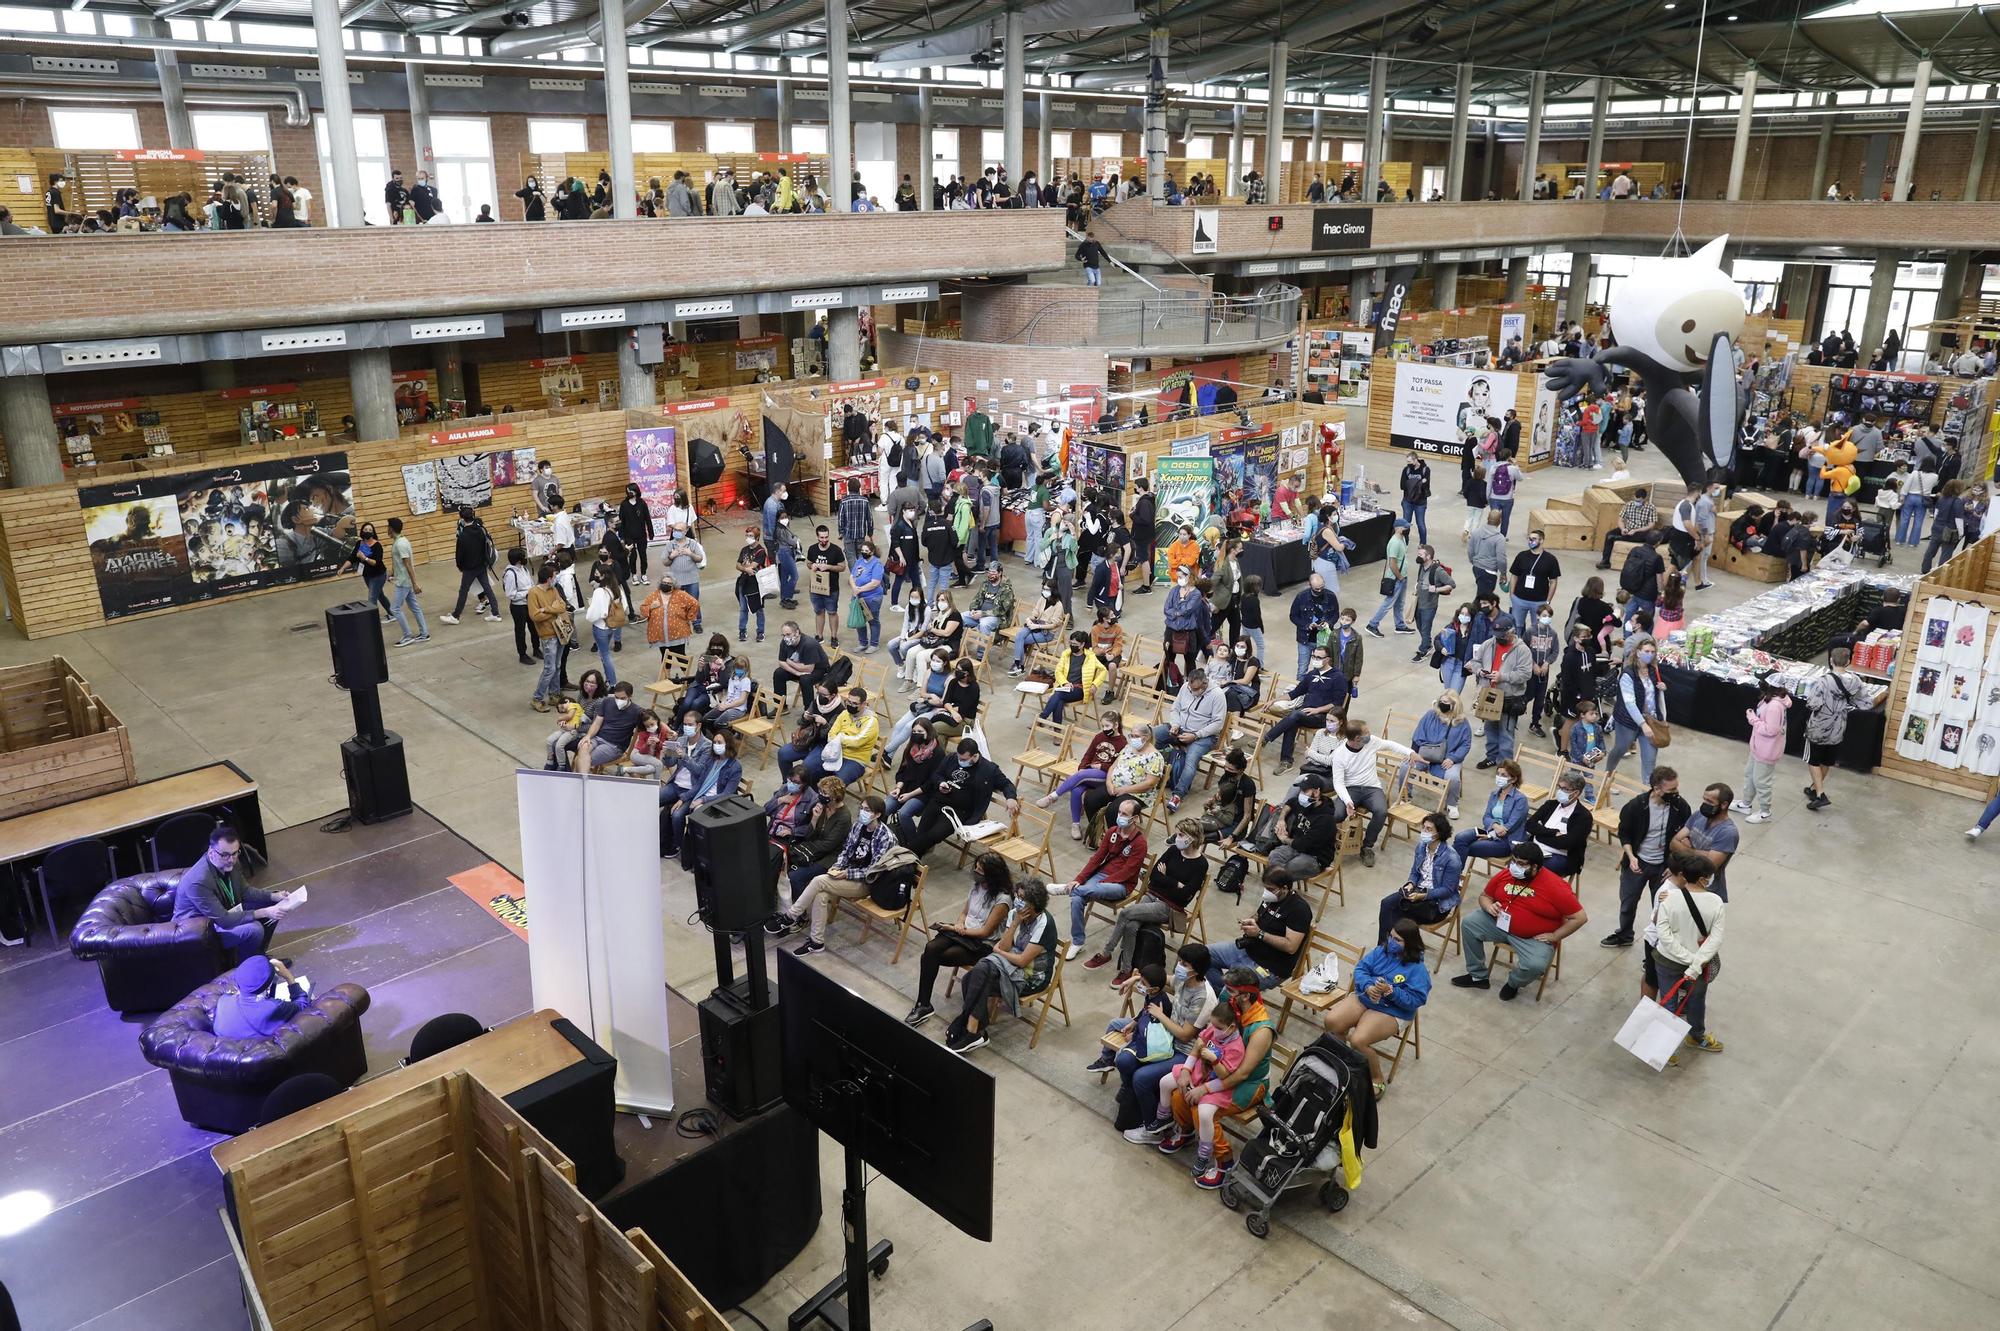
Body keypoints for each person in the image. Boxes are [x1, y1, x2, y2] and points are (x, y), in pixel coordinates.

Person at [1450, 842, 1588, 1000]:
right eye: (1514, 861)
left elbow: (1580, 917)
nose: (1515, 866)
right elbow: (1485, 896)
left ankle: (1513, 983)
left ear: (1535, 867)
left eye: (1521, 864)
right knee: (1469, 924)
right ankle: (1477, 976)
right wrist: (1489, 907)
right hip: (1500, 923)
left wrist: (1555, 936)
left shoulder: (1556, 886)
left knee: (1535, 965)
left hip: (1533, 937)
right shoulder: (1507, 874)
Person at [768, 795, 902, 955]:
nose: (862, 813)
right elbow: (846, 851)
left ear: (878, 814)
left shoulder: (885, 837)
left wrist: (847, 873)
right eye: (861, 808)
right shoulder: (858, 826)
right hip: (847, 873)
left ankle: (790, 915)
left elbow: (874, 871)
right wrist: (838, 867)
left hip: (866, 882)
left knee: (819, 881)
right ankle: (817, 942)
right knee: (821, 896)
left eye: (867, 810)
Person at [944, 878, 1058, 1053]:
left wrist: (999, 952)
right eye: (1017, 896)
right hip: (1009, 965)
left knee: (978, 975)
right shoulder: (1014, 914)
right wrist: (1015, 924)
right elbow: (1005, 946)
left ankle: (970, 1027)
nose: (1017, 900)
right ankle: (974, 1031)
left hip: (1030, 977)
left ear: (1034, 904)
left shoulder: (1045, 924)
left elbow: (1021, 961)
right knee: (972, 978)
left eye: (1022, 898)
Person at [1321, 920, 1431, 1095]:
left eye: (1398, 940)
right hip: (1367, 997)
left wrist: (1391, 992)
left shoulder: (1418, 970)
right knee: (1332, 1022)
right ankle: (1342, 1062)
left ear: (1409, 943)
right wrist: (1368, 986)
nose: (1392, 942)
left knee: (1358, 1040)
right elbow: (1361, 969)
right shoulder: (1382, 950)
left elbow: (1416, 1000)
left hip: (1392, 1010)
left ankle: (1376, 1078)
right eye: (1391, 936)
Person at [905, 853, 1014, 1027]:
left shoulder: (1003, 899)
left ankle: (923, 1006)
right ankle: (923, 1004)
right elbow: (965, 912)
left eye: (980, 870)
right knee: (931, 948)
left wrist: (954, 929)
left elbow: (985, 932)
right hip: (962, 932)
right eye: (976, 868)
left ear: (992, 875)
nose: (976, 872)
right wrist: (959, 923)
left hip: (981, 944)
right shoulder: (977, 886)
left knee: (933, 957)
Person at [171, 825, 295, 962]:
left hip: (222, 912)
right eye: (224, 855)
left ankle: (259, 957)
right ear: (211, 852)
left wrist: (273, 896)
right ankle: (247, 968)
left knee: (275, 903)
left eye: (235, 853)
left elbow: (245, 891)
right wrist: (265, 912)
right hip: (200, 931)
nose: (231, 859)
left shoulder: (232, 862)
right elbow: (224, 920)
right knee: (254, 929)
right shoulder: (198, 881)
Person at [1646, 850, 1726, 1056]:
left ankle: (1665, 1049)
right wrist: (1695, 963)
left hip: (1667, 961)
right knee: (1697, 1001)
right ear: (1701, 880)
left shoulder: (1669, 899)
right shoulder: (1716, 902)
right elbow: (1715, 939)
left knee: (1668, 1002)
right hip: (1699, 965)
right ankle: (1696, 1036)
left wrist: (1687, 959)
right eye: (1709, 877)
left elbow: (1663, 935)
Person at [1051, 796, 1148, 960]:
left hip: (1121, 885)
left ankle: (1067, 889)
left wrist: (1101, 884)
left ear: (1135, 818)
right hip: (1100, 878)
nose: (1120, 816)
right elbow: (1096, 858)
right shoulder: (1112, 832)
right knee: (1076, 899)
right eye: (1119, 812)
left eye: (1125, 814)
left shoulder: (1140, 843)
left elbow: (1128, 872)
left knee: (1079, 892)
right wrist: (1079, 879)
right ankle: (1078, 942)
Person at [1603, 765, 1687, 948]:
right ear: (1657, 789)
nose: (1676, 793)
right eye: (1671, 790)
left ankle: (1654, 948)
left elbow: (1685, 839)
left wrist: (1673, 866)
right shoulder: (1635, 806)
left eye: (1676, 788)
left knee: (1662, 910)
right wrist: (1631, 857)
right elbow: (1624, 833)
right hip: (1638, 863)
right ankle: (1624, 935)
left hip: (1664, 868)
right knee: (1628, 903)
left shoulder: (1680, 807)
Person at [901, 737, 1021, 858]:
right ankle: (910, 860)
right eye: (959, 757)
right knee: (922, 832)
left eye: (964, 759)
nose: (960, 760)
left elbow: (1006, 784)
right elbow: (937, 774)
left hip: (960, 810)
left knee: (936, 834)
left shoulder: (989, 769)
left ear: (974, 756)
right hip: (939, 800)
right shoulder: (952, 758)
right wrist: (941, 783)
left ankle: (903, 854)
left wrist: (1011, 797)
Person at [1036, 714, 1129, 838]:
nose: (1105, 729)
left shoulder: (1123, 743)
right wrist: (1082, 768)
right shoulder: (1099, 737)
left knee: (1080, 776)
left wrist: (1102, 767)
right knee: (1075, 790)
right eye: (1103, 726)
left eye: (1107, 725)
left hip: (1106, 775)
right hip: (1089, 773)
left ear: (1116, 725)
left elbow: (1119, 767)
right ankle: (1075, 824)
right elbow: (1088, 755)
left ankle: (1053, 796)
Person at [1379, 812, 1461, 945]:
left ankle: (1392, 949)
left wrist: (1422, 896)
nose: (1424, 832)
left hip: (1435, 904)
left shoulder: (1452, 859)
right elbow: (1415, 872)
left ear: (1438, 833)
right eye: (1424, 828)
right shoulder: (1422, 847)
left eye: (1429, 829)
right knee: (1387, 903)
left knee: (1399, 912)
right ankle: (1384, 949)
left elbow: (1447, 890)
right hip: (1417, 892)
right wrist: (1410, 884)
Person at [1269, 643, 1351, 771]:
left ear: (1328, 659)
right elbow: (1295, 693)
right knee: (1293, 719)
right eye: (1314, 656)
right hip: (1305, 714)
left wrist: (1317, 710)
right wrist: (1274, 700)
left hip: (1323, 717)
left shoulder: (1338, 677)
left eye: (1319, 657)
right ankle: (1286, 761)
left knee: (1295, 715)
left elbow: (1337, 703)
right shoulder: (1311, 674)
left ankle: (1266, 738)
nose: (1315, 659)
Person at [661, 729, 743, 854]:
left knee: (690, 813)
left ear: (728, 744)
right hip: (700, 795)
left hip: (717, 801)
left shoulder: (735, 766)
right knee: (676, 813)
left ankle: (700, 850)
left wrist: (703, 800)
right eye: (714, 742)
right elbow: (700, 784)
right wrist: (683, 798)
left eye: (719, 742)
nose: (716, 745)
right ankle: (679, 845)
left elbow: (727, 794)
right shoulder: (712, 760)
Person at [1153, 671, 1227, 810]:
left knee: (1191, 761)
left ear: (1205, 684)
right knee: (1152, 735)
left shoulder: (1217, 695)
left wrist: (1196, 735)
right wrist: (1175, 724)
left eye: (1195, 690)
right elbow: (1175, 708)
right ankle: (1155, 774)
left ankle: (1177, 795)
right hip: (1180, 728)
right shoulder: (1185, 687)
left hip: (1202, 736)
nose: (1192, 692)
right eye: (1190, 689)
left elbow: (1218, 724)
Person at [1321, 718, 1389, 866]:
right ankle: (1329, 843)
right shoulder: (1339, 754)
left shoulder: (1371, 742)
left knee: (1381, 811)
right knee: (1337, 814)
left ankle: (1367, 846)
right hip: (1350, 789)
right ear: (1357, 738)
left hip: (1372, 788)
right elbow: (1338, 783)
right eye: (1366, 732)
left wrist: (1410, 753)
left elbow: (1391, 745)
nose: (1370, 734)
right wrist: (1348, 801)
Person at [1603, 632, 1667, 782]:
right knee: (1619, 750)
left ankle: (1647, 793)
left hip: (1651, 722)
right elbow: (1629, 702)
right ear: (1638, 652)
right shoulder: (1628, 674)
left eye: (1652, 652)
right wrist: (1642, 724)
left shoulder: (1653, 671)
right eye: (1646, 651)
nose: (1649, 655)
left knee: (1650, 761)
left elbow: (1653, 696)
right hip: (1628, 722)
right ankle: (1607, 776)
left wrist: (1661, 689)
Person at [1469, 613, 1532, 766]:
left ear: (1511, 632)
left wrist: (1503, 677)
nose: (1498, 638)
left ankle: (1504, 764)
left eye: (1502, 635)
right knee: (1490, 729)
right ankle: (1492, 757)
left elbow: (1525, 674)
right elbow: (1475, 661)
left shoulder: (1522, 650)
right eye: (1496, 635)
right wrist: (1479, 671)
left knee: (1506, 733)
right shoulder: (1489, 644)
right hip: (1489, 695)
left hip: (1509, 698)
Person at [1804, 646, 1861, 810]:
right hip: (1839, 727)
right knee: (1827, 760)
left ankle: (1820, 793)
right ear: (1848, 661)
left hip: (1820, 727)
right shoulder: (1855, 681)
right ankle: (1814, 788)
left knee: (1813, 760)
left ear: (1830, 660)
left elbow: (1812, 703)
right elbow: (1864, 702)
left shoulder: (1823, 681)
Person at [1450, 760, 1528, 880]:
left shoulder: (1520, 799)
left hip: (1505, 841)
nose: (1499, 777)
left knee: (1464, 847)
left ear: (1513, 779)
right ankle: (1454, 878)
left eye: (1504, 775)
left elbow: (1510, 826)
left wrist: (1492, 835)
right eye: (1498, 774)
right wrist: (1495, 827)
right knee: (1460, 838)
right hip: (1490, 831)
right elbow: (1486, 817)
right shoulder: (1494, 794)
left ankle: (1453, 879)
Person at [1406, 691, 1473, 817]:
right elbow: (1418, 735)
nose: (1442, 704)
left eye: (1446, 702)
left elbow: (1465, 744)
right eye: (1441, 701)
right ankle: (1405, 796)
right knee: (1405, 766)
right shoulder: (1430, 715)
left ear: (1454, 705)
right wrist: (1414, 754)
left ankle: (1452, 804)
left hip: (1448, 758)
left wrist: (1453, 759)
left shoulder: (1462, 722)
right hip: (1425, 755)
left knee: (1453, 777)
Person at [1736, 677, 1790, 823]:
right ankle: (1746, 804)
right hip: (1758, 747)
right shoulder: (1770, 700)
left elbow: (1771, 730)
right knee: (1750, 775)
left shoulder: (1774, 706)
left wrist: (1752, 718)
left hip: (1767, 750)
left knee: (1761, 781)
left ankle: (1765, 812)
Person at [1523, 771, 1591, 876]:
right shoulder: (1550, 804)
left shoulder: (1583, 816)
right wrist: (1553, 833)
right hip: (1535, 849)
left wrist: (1539, 835)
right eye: (1559, 787)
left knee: (1535, 869)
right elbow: (1529, 824)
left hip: (1561, 856)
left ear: (1576, 793)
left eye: (1564, 789)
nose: (1560, 791)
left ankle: (1533, 891)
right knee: (1516, 860)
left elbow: (1567, 843)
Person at [527, 561, 571, 710]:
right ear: (548, 578)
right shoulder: (534, 593)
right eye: (554, 576)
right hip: (548, 636)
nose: (555, 578)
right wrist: (553, 610)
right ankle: (537, 697)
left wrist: (546, 610)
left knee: (557, 666)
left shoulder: (553, 590)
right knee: (549, 668)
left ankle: (554, 694)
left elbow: (562, 605)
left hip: (559, 632)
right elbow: (535, 616)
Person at [385, 517, 429, 647]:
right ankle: (424, 633)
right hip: (404, 579)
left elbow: (407, 564)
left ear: (391, 529)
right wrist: (393, 573)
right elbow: (399, 563)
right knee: (414, 607)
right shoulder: (401, 540)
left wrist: (415, 583)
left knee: (394, 608)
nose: (387, 529)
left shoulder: (400, 544)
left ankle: (407, 635)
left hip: (404, 582)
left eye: (388, 527)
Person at [1288, 573, 1339, 679]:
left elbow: (1335, 614)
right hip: (1305, 640)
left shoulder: (1331, 596)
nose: (1320, 591)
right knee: (1302, 669)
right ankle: (1300, 693)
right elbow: (1293, 616)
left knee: (1321, 670)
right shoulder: (1301, 597)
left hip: (1323, 641)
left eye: (1322, 588)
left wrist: (1329, 623)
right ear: (1310, 585)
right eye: (1316, 589)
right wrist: (1307, 625)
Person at [1507, 530, 1561, 628]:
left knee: (1537, 628)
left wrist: (1548, 601)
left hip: (1539, 601)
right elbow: (1514, 575)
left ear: (1542, 540)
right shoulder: (1521, 556)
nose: (1531, 541)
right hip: (1519, 599)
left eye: (1534, 539)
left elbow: (1553, 581)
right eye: (1529, 538)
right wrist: (1512, 595)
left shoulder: (1550, 559)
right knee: (1516, 627)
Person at [771, 621, 829, 710]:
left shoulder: (809, 644)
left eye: (788, 634)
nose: (786, 638)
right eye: (783, 635)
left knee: (805, 679)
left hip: (818, 670)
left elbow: (809, 669)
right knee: (778, 673)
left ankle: (809, 711)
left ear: (797, 632)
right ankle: (780, 707)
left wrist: (790, 662)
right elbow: (781, 662)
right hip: (799, 668)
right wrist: (796, 672)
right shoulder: (785, 642)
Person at [1598, 487, 1660, 569]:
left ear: (1645, 499)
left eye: (1639, 501)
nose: (1636, 502)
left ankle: (1621, 538)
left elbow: (1651, 525)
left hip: (1641, 531)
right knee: (1609, 534)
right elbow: (1620, 520)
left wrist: (1636, 530)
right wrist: (1622, 528)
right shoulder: (1629, 505)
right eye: (1635, 500)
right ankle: (1605, 560)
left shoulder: (1651, 508)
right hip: (1628, 529)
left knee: (1644, 536)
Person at [345, 521, 393, 624]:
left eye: (370, 530)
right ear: (362, 531)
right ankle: (392, 613)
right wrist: (342, 568)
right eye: (366, 530)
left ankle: (373, 622)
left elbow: (376, 562)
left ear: (373, 532)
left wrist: (364, 558)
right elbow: (352, 557)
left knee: (372, 598)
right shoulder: (359, 543)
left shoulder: (377, 546)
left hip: (378, 575)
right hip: (367, 575)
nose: (368, 531)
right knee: (380, 595)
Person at [762, 482, 800, 608]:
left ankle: (787, 589)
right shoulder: (771, 505)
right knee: (776, 565)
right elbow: (773, 526)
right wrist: (780, 541)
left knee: (783, 569)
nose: (785, 493)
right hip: (774, 540)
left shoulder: (778, 503)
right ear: (777, 491)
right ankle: (770, 590)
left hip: (781, 539)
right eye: (783, 490)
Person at [584, 563, 622, 686]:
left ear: (603, 576)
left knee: (605, 656)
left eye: (597, 574)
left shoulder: (599, 591)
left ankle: (612, 683)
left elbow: (593, 615)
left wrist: (591, 605)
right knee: (604, 655)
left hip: (600, 627)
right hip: (611, 627)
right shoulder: (615, 588)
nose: (595, 576)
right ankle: (609, 680)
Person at [1398, 455, 1432, 544]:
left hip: (1420, 503)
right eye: (1407, 462)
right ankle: (1405, 542)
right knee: (1406, 523)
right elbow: (1402, 486)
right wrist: (1419, 482)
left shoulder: (1425, 470)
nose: (1408, 464)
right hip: (1407, 501)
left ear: (1416, 460)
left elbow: (1426, 485)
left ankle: (1423, 544)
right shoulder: (1406, 470)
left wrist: (1411, 483)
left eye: (1410, 462)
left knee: (1420, 524)